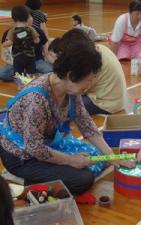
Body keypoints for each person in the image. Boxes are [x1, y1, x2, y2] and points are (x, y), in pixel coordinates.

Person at [0, 41, 133, 195]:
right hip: (21, 156)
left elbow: (87, 126)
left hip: (46, 144)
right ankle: (24, 178)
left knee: (97, 157)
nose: (90, 84)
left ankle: (44, 175)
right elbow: (34, 148)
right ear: (71, 76)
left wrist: (111, 156)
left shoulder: (71, 91)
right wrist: (71, 160)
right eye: (89, 79)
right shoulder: (36, 99)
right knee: (82, 179)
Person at [48, 29, 127, 115]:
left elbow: (79, 88)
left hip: (106, 104)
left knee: (58, 106)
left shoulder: (88, 61)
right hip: (117, 99)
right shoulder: (100, 49)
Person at [3, 5, 40, 76]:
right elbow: (37, 41)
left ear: (13, 18)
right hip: (30, 56)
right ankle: (30, 85)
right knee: (31, 74)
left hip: (18, 57)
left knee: (18, 75)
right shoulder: (31, 29)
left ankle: (20, 86)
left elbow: (9, 43)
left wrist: (4, 44)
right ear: (27, 17)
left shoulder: (12, 30)